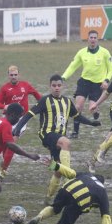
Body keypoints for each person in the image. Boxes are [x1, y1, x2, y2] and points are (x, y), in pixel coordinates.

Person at [12, 74, 101, 205]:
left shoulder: (67, 101)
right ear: (50, 86)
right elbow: (28, 116)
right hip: (47, 134)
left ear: (62, 86)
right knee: (66, 142)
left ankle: (48, 198)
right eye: (54, 86)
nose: (57, 88)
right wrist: (17, 129)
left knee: (57, 170)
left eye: (59, 85)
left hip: (58, 139)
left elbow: (77, 117)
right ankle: (69, 180)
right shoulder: (44, 101)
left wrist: (91, 123)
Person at [20, 158, 112, 224]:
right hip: (80, 199)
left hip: (68, 188)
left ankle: (39, 217)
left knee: (54, 208)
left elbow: (71, 173)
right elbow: (106, 219)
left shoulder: (87, 175)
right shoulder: (103, 192)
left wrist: (55, 165)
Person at [61, 30, 112, 139]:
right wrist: (63, 77)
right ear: (88, 39)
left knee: (91, 108)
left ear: (97, 39)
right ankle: (75, 132)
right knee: (78, 106)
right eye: (91, 37)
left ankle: (96, 111)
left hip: (98, 85)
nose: (93, 40)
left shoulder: (105, 52)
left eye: (95, 38)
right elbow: (73, 66)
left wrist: (106, 80)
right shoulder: (82, 53)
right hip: (84, 82)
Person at [0, 65, 42, 178]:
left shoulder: (25, 85)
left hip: (21, 119)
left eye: (15, 75)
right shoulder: (4, 88)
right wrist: (6, 107)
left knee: (12, 143)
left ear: (18, 75)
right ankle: (3, 166)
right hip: (8, 119)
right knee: (6, 143)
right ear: (8, 76)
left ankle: (3, 170)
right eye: (11, 75)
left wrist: (42, 104)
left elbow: (36, 94)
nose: (14, 77)